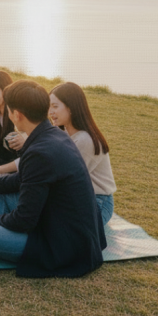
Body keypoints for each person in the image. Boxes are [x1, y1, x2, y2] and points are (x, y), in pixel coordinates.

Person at [0, 79, 107, 278]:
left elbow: (24, 220)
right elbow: (24, 179)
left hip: (62, 246)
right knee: (3, 192)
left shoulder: (40, 151)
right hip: (65, 226)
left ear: (16, 115)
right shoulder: (54, 135)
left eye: (9, 110)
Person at [49, 82, 116, 224]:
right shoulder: (65, 132)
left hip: (98, 202)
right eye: (49, 107)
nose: (50, 112)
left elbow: (63, 180)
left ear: (71, 107)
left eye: (55, 106)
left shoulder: (85, 140)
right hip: (78, 197)